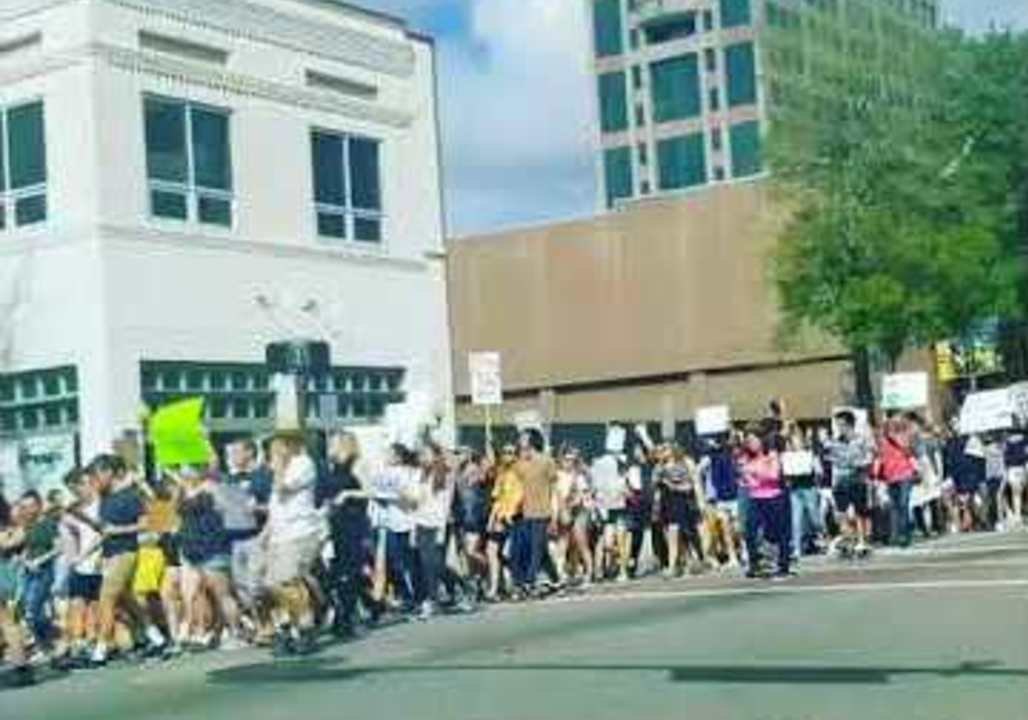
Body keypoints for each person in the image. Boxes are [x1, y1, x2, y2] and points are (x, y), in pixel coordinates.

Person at [89, 454, 167, 666]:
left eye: (96, 475)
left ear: (109, 472)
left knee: (107, 597)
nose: (94, 481)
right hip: (110, 552)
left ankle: (100, 650)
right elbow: (105, 530)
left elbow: (146, 524)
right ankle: (156, 637)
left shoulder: (130, 496)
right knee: (128, 599)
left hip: (126, 551)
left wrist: (118, 530)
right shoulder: (104, 499)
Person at [323, 431, 372, 639]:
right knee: (335, 572)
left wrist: (347, 494)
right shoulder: (330, 467)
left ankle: (347, 617)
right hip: (334, 521)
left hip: (352, 521)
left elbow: (370, 491)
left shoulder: (357, 464)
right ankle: (348, 611)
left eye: (333, 443)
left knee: (349, 571)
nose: (329, 447)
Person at [737, 426, 791, 579]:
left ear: (761, 440)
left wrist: (754, 473)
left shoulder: (771, 455)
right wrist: (753, 475)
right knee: (750, 531)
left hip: (774, 496)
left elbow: (774, 475)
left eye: (753, 440)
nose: (751, 444)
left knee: (778, 532)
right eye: (748, 441)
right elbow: (745, 479)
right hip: (755, 497)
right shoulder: (746, 458)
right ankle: (755, 564)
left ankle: (783, 564)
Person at [512, 429, 557, 596]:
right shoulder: (520, 463)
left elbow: (554, 487)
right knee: (538, 549)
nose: (520, 439)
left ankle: (529, 582)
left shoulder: (547, 461)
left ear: (531, 440)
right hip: (525, 511)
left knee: (536, 549)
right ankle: (555, 578)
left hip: (542, 511)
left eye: (523, 437)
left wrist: (555, 512)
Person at [827, 411, 875, 557]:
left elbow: (868, 458)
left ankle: (861, 541)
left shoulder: (861, 440)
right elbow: (831, 459)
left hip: (857, 479)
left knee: (860, 512)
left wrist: (857, 463)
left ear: (850, 425)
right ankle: (848, 538)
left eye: (842, 425)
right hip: (840, 481)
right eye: (838, 425)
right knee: (841, 513)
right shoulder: (834, 442)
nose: (840, 428)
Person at [654, 444, 705, 578]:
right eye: (661, 450)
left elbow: (690, 485)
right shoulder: (660, 466)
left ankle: (675, 566)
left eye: (665, 449)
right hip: (666, 503)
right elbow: (655, 485)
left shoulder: (683, 464)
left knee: (680, 533)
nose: (662, 452)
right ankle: (684, 563)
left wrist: (672, 485)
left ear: (672, 451)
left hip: (681, 502)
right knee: (672, 535)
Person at [0, 508, 33, 687]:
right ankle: (21, 667)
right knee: (8, 622)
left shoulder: (10, 525)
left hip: (2, 573)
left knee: (7, 621)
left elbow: (13, 542)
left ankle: (21, 667)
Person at [485, 445, 522, 600]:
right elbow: (497, 498)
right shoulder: (501, 473)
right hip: (500, 518)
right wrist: (491, 519)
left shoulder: (519, 473)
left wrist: (511, 514)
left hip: (514, 518)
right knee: (491, 551)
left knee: (509, 555)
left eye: (510, 453)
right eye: (505, 452)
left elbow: (521, 497)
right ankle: (494, 588)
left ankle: (513, 587)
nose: (507, 455)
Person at [782, 425, 823, 562]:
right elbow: (785, 474)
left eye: (796, 441)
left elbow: (819, 472)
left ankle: (822, 536)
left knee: (814, 516)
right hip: (795, 489)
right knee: (796, 519)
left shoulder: (809, 453)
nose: (794, 444)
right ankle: (797, 548)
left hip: (809, 487)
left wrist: (815, 475)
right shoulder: (787, 455)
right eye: (792, 441)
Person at [878, 416, 919, 547]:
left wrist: (897, 437)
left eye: (893, 425)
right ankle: (895, 535)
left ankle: (904, 535)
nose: (891, 428)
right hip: (890, 476)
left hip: (904, 474)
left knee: (903, 504)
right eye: (889, 426)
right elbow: (880, 456)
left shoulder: (903, 437)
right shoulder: (882, 441)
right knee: (894, 506)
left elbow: (909, 450)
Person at [590, 449, 630, 582]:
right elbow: (595, 494)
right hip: (608, 514)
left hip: (621, 513)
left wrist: (624, 493)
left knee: (621, 541)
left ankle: (623, 571)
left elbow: (630, 495)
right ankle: (617, 562)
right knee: (607, 544)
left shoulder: (623, 479)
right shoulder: (602, 481)